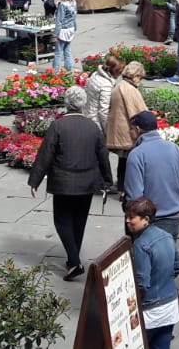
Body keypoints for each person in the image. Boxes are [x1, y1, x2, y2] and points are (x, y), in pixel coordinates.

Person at [29, 86, 113, 282]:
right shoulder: (93, 127)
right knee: (79, 220)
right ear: (83, 104)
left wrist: (35, 180)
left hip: (64, 182)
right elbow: (103, 155)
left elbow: (46, 154)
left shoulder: (58, 126)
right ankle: (72, 259)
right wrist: (107, 180)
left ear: (66, 103)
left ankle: (74, 261)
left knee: (62, 220)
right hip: (87, 182)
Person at [123, 109, 179, 237]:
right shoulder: (174, 148)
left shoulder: (136, 155)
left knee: (144, 255)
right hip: (173, 217)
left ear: (138, 129)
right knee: (167, 254)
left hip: (147, 220)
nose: (129, 133)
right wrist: (176, 202)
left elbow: (135, 196)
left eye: (131, 129)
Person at [126, 196, 179, 349]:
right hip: (170, 306)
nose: (128, 221)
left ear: (145, 219)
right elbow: (177, 267)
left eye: (132, 218)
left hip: (151, 311)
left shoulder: (141, 245)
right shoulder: (166, 235)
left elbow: (142, 284)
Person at [106, 62, 150, 193]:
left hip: (117, 130)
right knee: (129, 162)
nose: (140, 81)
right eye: (140, 77)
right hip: (127, 132)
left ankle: (121, 187)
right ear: (135, 76)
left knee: (123, 160)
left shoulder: (119, 86)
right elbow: (139, 112)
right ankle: (126, 189)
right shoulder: (130, 90)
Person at [87, 54, 122, 137]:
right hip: (95, 120)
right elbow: (103, 111)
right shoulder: (106, 85)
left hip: (88, 112)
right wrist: (108, 131)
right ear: (115, 71)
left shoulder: (95, 74)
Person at [52, 0, 78, 72]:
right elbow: (74, 16)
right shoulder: (73, 2)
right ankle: (69, 69)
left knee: (58, 52)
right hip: (71, 28)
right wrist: (75, 28)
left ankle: (55, 72)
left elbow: (59, 20)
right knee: (67, 50)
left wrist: (55, 34)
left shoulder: (62, 4)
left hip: (63, 29)